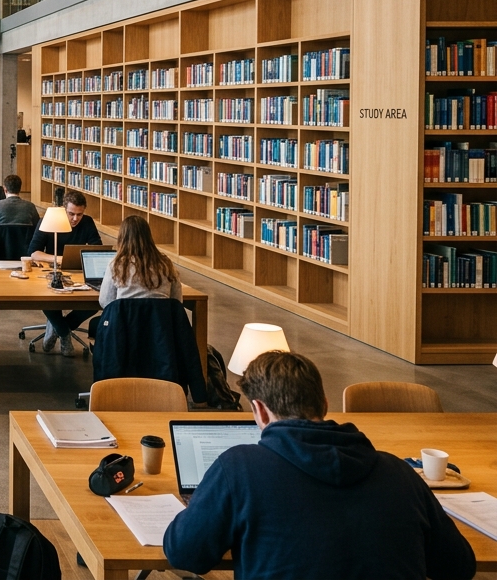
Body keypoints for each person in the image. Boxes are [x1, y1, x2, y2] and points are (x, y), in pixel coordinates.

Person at [163, 351, 476, 580]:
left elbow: (185, 553)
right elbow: (459, 566)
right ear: (325, 403)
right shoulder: (399, 473)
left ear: (259, 410)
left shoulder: (239, 469)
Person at [28, 189, 103, 355]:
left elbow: (97, 248)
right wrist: (59, 259)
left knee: (95, 302)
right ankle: (64, 334)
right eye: (71, 214)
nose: (75, 219)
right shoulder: (49, 221)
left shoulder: (87, 222)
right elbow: (34, 252)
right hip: (51, 270)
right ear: (63, 209)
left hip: (78, 271)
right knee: (46, 298)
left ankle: (59, 328)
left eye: (79, 214)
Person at [99, 215, 181, 307]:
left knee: (95, 322)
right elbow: (177, 302)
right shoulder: (166, 264)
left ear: (122, 238)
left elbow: (105, 301)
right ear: (149, 236)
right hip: (159, 320)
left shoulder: (116, 265)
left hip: (125, 320)